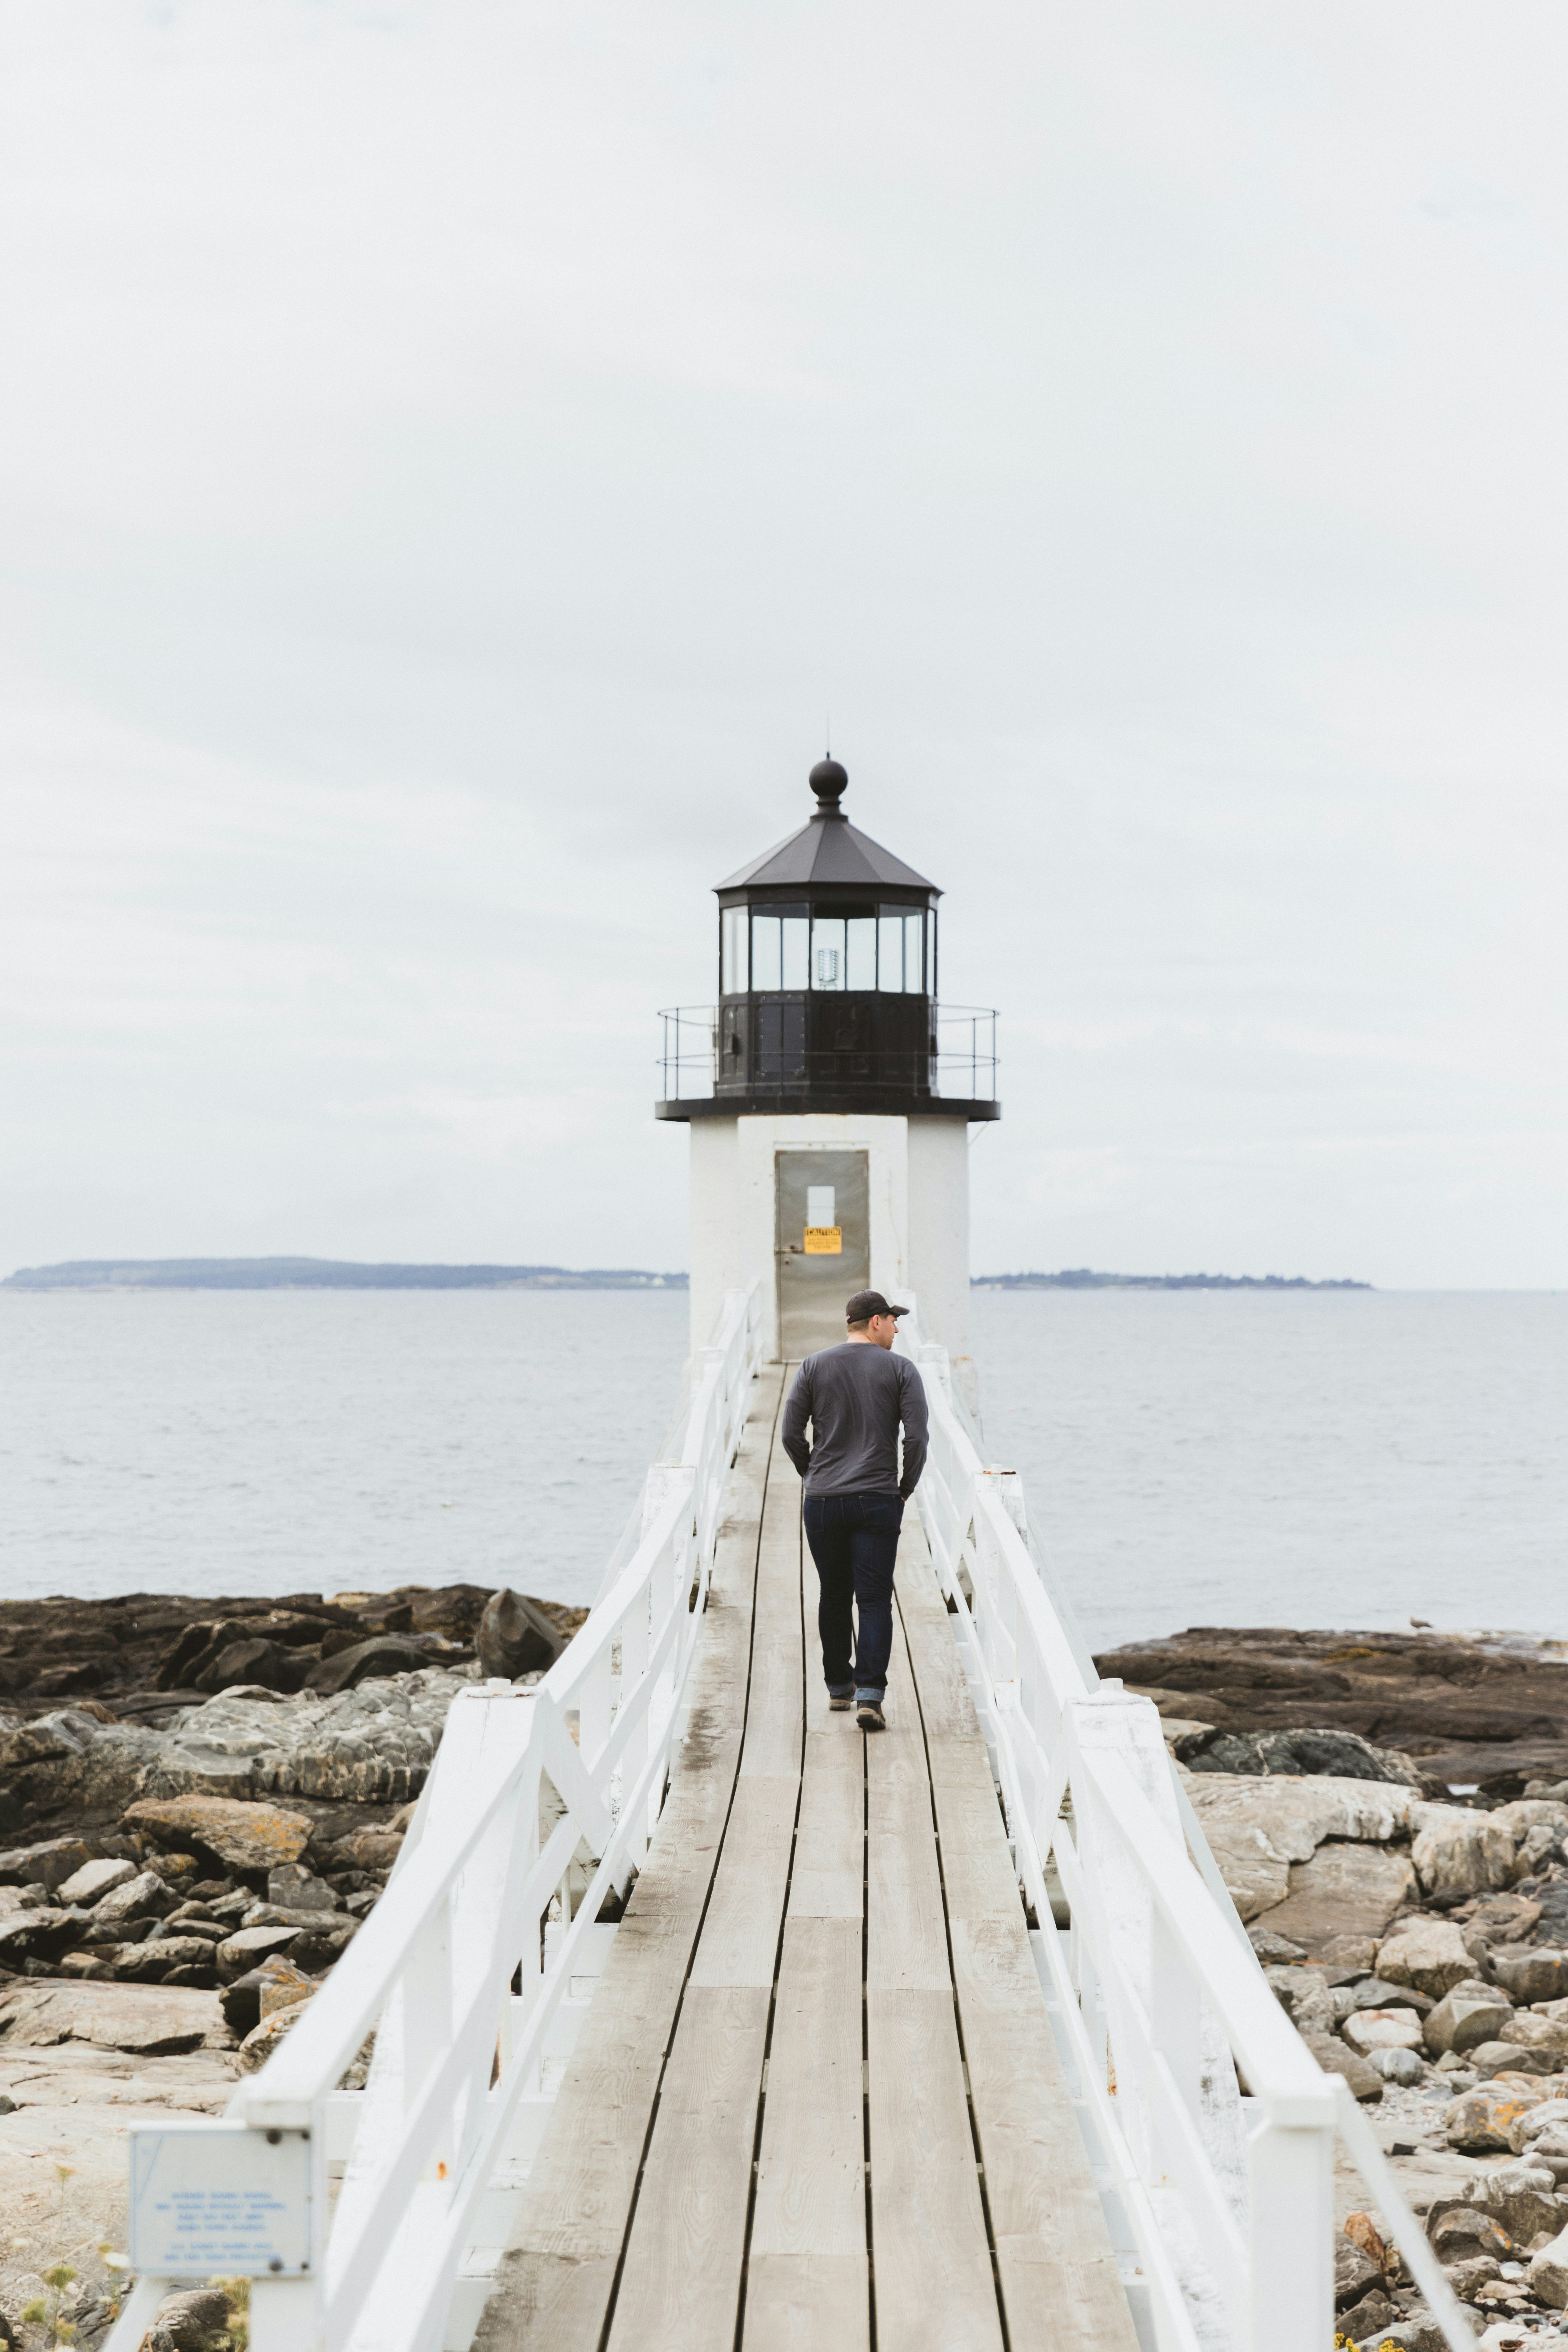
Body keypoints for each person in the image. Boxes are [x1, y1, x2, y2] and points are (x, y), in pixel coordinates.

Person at [781, 1288, 928, 1733]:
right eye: (893, 1320)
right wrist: (904, 1488)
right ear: (875, 1321)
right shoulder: (901, 1369)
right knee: (873, 1599)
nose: (898, 1329)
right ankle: (870, 1696)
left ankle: (837, 1686)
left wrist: (813, 1476)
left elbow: (791, 1432)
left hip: (823, 1500)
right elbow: (917, 1438)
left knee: (832, 1593)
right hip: (877, 1499)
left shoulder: (813, 1365)